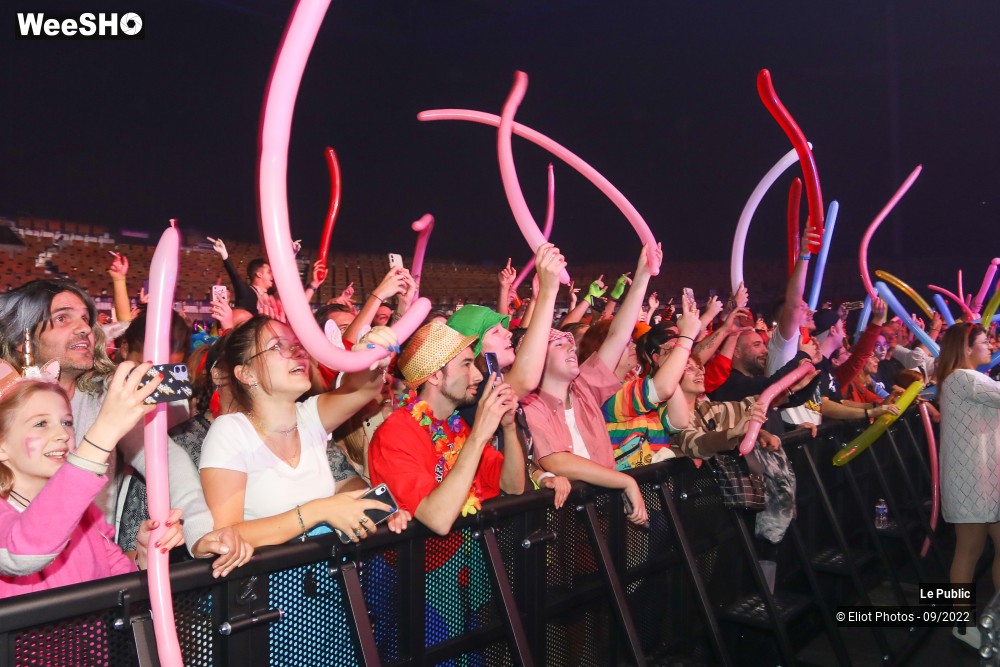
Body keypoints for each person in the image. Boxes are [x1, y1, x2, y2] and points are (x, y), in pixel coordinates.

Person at [0, 280, 250, 578]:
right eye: (63, 318)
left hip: (95, 573)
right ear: (22, 338)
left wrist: (200, 531)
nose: (83, 328)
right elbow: (20, 551)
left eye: (86, 319)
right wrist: (107, 428)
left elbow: (167, 463)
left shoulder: (108, 396)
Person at [200, 316, 409, 546]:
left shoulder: (309, 416)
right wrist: (319, 510)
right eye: (278, 346)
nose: (297, 352)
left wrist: (373, 357)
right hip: (273, 580)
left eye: (297, 345)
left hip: (325, 575)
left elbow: (362, 390)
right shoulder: (230, 431)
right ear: (246, 374)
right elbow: (227, 535)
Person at [0, 361, 185, 596]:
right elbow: (23, 552)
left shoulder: (85, 516)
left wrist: (145, 556)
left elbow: (119, 591)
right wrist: (105, 431)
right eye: (40, 423)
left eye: (67, 422)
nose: (62, 434)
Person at [522, 244, 663, 526]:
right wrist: (624, 481)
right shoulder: (530, 405)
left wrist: (643, 275)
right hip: (565, 521)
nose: (572, 348)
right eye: (560, 344)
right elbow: (556, 460)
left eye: (572, 345)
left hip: (604, 511)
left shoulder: (584, 387)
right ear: (539, 358)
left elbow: (618, 336)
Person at [368, 321, 526, 534]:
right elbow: (438, 520)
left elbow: (513, 486)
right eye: (466, 365)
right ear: (434, 376)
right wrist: (479, 435)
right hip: (429, 565)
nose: (479, 376)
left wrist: (508, 428)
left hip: (474, 555)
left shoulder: (455, 424)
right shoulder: (394, 434)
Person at [936, 323, 999, 649]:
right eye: (984, 342)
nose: (990, 346)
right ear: (967, 347)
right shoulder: (963, 378)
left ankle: (995, 619)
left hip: (988, 478)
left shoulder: (971, 379)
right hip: (970, 480)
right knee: (968, 552)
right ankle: (960, 624)